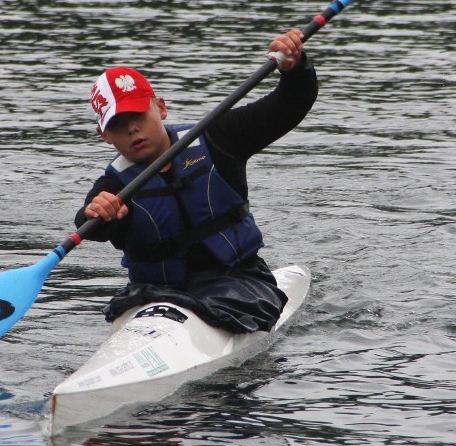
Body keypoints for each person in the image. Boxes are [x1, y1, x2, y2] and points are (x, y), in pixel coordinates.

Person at [75, 28, 317, 334]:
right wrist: (99, 214)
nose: (133, 130)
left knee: (223, 301)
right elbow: (89, 223)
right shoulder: (114, 186)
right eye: (118, 124)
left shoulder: (218, 140)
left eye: (138, 115)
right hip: (154, 295)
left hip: (238, 283)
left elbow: (289, 105)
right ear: (104, 136)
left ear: (160, 108)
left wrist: (295, 70)